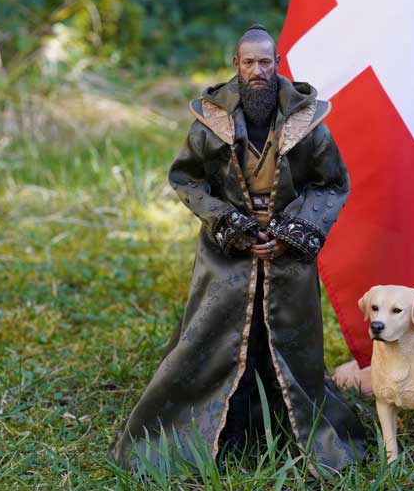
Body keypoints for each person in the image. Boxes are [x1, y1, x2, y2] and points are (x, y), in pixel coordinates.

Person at [110, 24, 367, 474]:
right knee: (208, 340)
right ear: (236, 65)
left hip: (288, 256)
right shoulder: (212, 122)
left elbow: (331, 183)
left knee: (295, 345)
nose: (256, 71)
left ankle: (295, 432)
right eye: (248, 63)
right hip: (226, 257)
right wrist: (230, 223)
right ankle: (208, 429)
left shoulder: (307, 124)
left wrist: (291, 231)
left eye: (265, 62)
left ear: (278, 64)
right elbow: (186, 179)